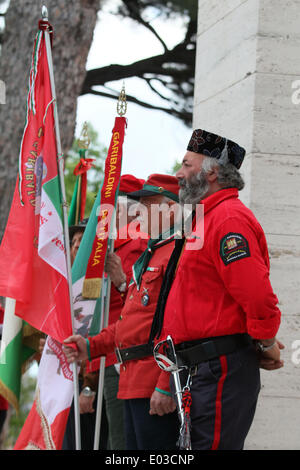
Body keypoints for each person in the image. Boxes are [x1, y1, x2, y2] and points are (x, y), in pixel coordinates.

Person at [152, 129, 283, 450]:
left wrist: (264, 340)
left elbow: (256, 295)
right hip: (201, 369)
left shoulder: (227, 219)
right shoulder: (205, 220)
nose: (178, 174)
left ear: (211, 172)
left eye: (186, 165)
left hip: (219, 367)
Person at [64, 174, 181, 450]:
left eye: (149, 206)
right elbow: (130, 317)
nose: (141, 213)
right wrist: (91, 347)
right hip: (127, 370)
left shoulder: (173, 252)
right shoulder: (153, 253)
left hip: (149, 374)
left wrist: (165, 383)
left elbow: (175, 325)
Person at [82, 174, 148, 450]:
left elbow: (135, 301)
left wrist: (120, 279)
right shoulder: (112, 246)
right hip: (103, 355)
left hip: (119, 355)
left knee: (120, 443)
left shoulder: (136, 245)